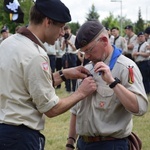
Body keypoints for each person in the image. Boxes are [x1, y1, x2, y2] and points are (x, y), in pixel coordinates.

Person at [0, 1, 97, 150]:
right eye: (61, 27)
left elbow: (26, 83)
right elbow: (51, 108)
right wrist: (81, 93)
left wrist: (63, 74)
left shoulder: (8, 44)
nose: (62, 33)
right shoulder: (35, 54)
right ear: (48, 22)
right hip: (20, 137)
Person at [66, 20, 148, 150]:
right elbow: (77, 111)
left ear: (104, 40)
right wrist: (70, 142)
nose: (86, 56)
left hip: (111, 144)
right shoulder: (87, 69)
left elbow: (140, 108)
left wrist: (113, 83)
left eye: (89, 50)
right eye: (83, 52)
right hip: (83, 143)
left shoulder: (125, 67)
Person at [61, 25, 77, 92]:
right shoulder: (63, 38)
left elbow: (75, 49)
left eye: (67, 30)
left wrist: (70, 43)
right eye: (65, 30)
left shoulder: (74, 37)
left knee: (73, 72)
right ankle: (68, 88)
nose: (66, 31)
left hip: (72, 55)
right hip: (65, 55)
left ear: (70, 30)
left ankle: (74, 88)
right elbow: (62, 49)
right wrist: (64, 43)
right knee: (65, 71)